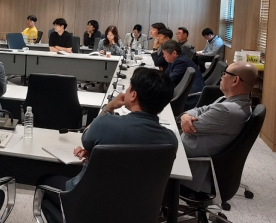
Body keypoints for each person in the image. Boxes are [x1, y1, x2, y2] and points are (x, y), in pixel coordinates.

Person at [37, 67, 177, 195]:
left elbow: (86, 137)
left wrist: (109, 107)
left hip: (85, 202)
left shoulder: (106, 124)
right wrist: (98, 155)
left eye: (129, 87)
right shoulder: (170, 141)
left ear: (133, 95)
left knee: (45, 179)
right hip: (136, 209)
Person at [180, 62, 259, 194]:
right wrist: (186, 116)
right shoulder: (230, 100)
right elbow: (200, 109)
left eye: (225, 74)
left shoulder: (227, 110)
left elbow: (188, 128)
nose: (221, 77)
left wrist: (184, 118)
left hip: (190, 166)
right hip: (190, 154)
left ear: (235, 80)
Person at [161, 40, 204, 109]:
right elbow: (166, 75)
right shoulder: (176, 60)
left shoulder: (180, 62)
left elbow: (170, 80)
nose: (163, 56)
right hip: (186, 93)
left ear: (174, 53)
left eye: (165, 54)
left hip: (190, 98)